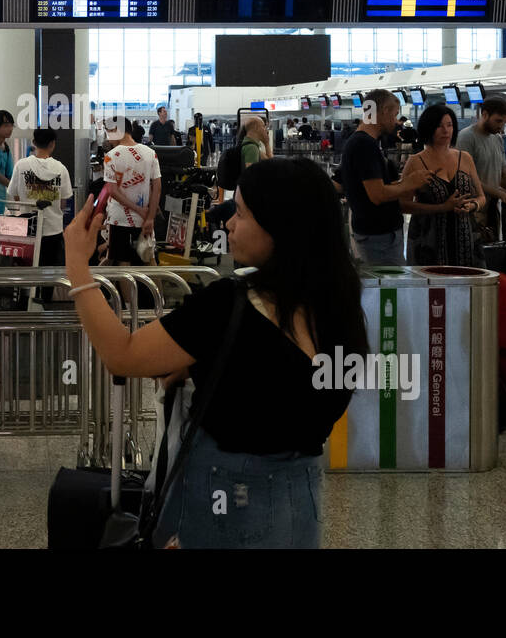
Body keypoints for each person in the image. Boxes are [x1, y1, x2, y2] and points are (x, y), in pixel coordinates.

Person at [61, 156, 366, 548]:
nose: (228, 223)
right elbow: (277, 380)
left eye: (240, 213)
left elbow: (122, 354)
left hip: (219, 504)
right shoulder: (342, 311)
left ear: (280, 228)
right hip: (298, 508)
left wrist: (78, 269)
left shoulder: (229, 305)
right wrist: (201, 366)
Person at [338, 89, 431, 266]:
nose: (396, 121)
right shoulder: (364, 144)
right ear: (384, 112)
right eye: (395, 114)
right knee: (391, 290)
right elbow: (378, 194)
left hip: (376, 235)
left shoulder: (362, 142)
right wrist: (409, 183)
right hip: (378, 238)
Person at [401, 105, 487, 267]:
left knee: (467, 287)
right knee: (433, 289)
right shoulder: (416, 162)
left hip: (465, 238)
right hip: (428, 241)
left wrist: (472, 205)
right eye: (439, 126)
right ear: (429, 128)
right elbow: (403, 204)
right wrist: (442, 207)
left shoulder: (465, 158)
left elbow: (481, 197)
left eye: (449, 125)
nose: (446, 131)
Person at [455, 97, 506, 244]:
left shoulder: (497, 139)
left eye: (505, 121)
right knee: (475, 253)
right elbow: (468, 178)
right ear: (484, 115)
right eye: (498, 121)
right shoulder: (467, 137)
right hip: (473, 208)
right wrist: (502, 195)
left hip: (492, 209)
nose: (501, 126)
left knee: (492, 253)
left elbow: (502, 178)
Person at [7, 127, 73, 267]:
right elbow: (63, 203)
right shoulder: (61, 169)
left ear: (33, 142)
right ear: (52, 144)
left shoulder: (21, 165)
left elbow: (15, 196)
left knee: (27, 269)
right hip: (53, 228)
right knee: (49, 271)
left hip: (27, 227)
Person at [100, 113, 162, 264]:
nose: (108, 138)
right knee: (149, 257)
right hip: (145, 217)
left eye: (109, 133)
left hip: (119, 218)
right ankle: (158, 289)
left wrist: (137, 209)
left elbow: (112, 191)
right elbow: (157, 188)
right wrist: (150, 217)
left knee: (123, 263)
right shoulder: (150, 153)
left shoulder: (110, 156)